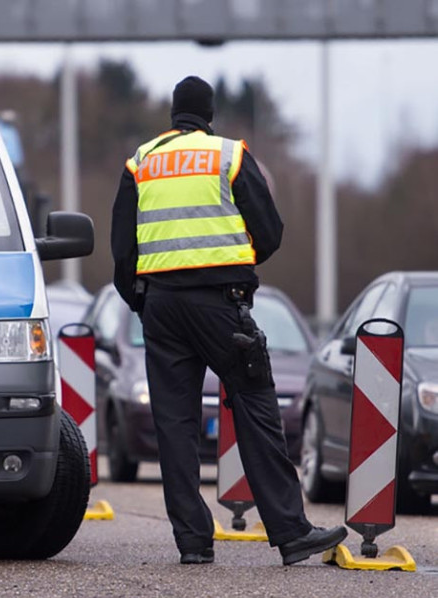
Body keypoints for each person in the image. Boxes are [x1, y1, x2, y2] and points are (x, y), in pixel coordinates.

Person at [110, 76, 347, 565]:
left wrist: (145, 300)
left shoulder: (141, 162)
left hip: (161, 307)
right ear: (209, 114)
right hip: (221, 304)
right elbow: (270, 232)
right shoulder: (228, 155)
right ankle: (290, 529)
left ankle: (193, 541)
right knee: (256, 403)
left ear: (173, 114)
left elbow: (122, 253)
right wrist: (237, 263)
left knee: (175, 423)